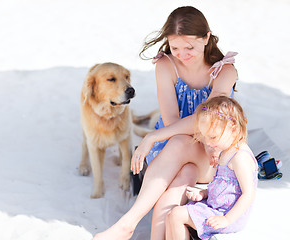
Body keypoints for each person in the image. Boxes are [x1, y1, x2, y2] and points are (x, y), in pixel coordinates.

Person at [93, 6, 238, 240]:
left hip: (211, 151)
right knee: (184, 173)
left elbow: (207, 119)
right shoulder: (166, 65)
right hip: (173, 148)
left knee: (182, 141)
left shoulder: (225, 71)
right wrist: (161, 136)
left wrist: (152, 136)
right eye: (175, 47)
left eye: (190, 47)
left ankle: (126, 225)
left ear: (206, 37)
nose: (182, 54)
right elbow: (171, 119)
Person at [166, 96, 257, 240]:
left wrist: (226, 219)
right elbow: (226, 186)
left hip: (228, 215)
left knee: (176, 216)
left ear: (233, 129)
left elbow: (248, 194)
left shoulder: (240, 157)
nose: (207, 142)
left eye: (213, 137)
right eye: (205, 136)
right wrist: (204, 193)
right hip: (216, 207)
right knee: (172, 215)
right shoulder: (226, 150)